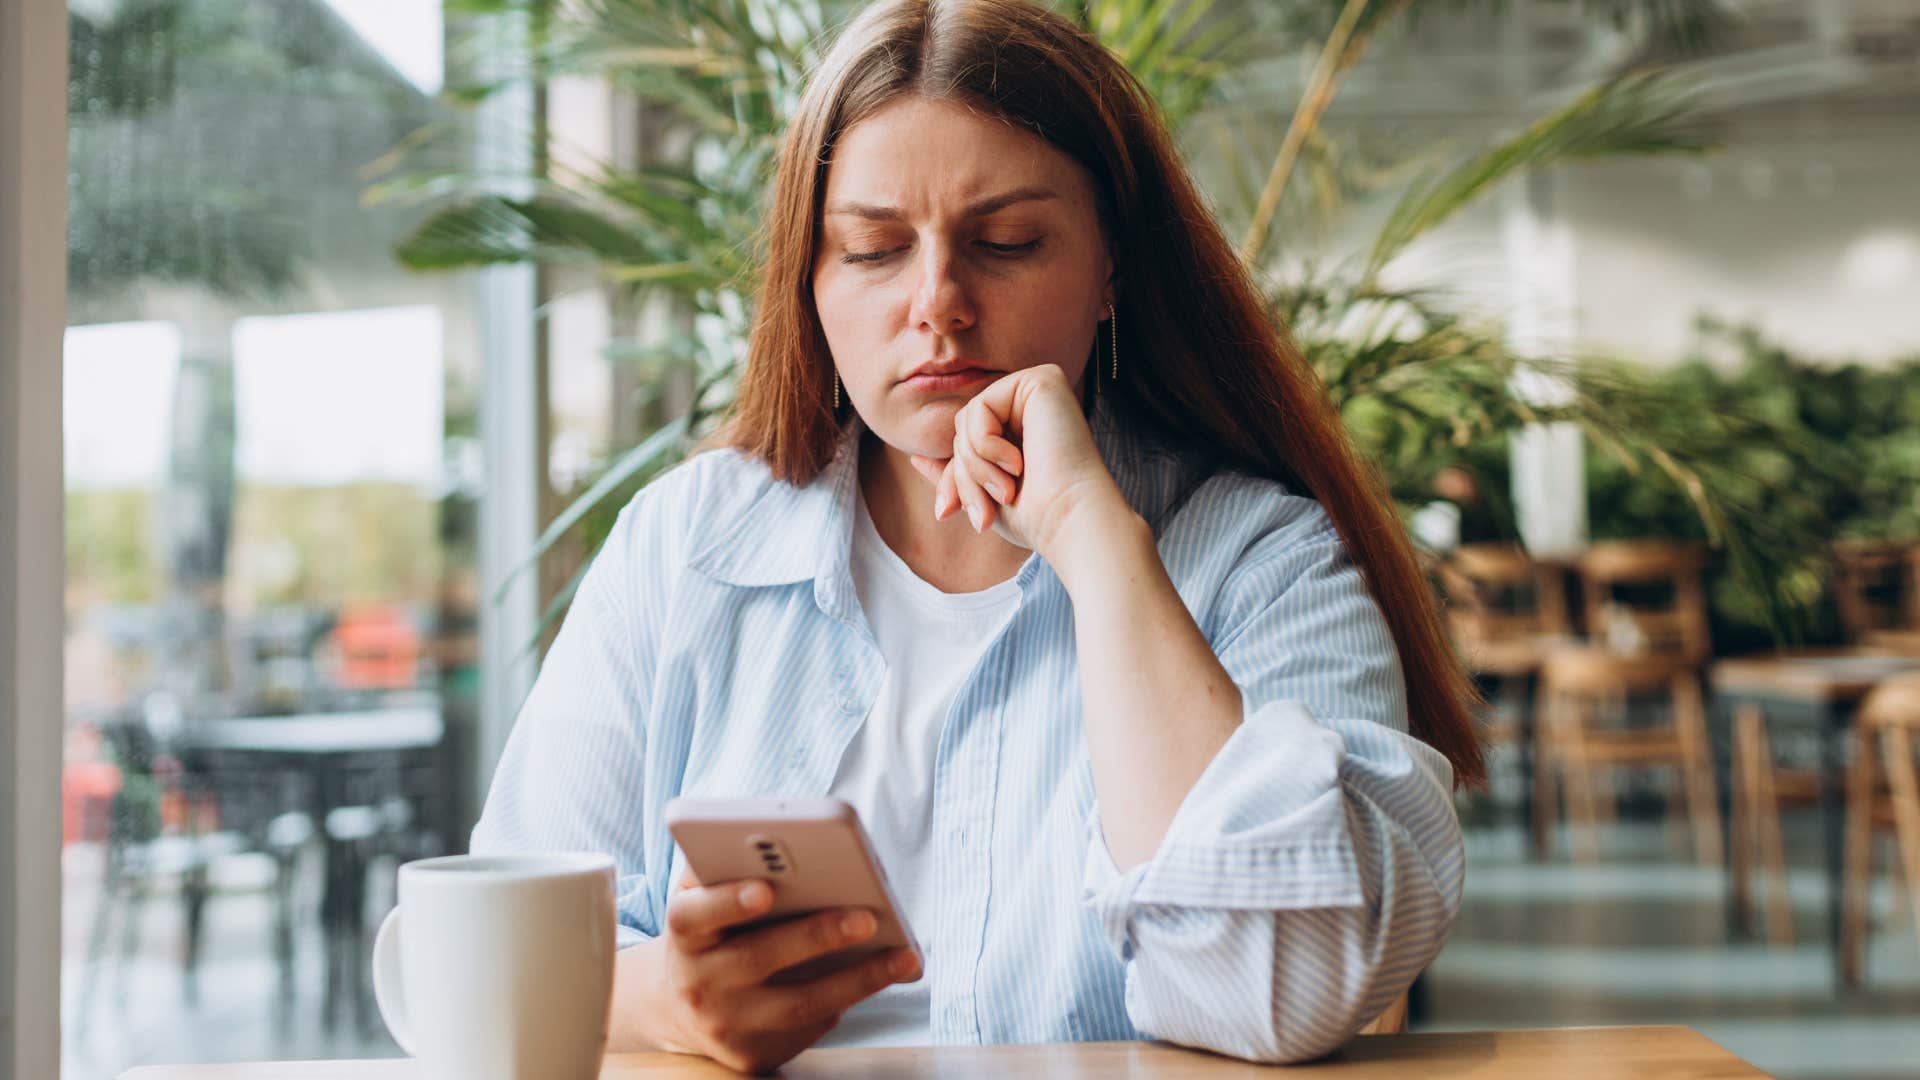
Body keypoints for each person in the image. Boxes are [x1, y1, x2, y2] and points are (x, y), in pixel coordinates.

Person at [471, 0, 1483, 1071]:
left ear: (1112, 275)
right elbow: (490, 952)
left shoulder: (1262, 559)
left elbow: (1289, 988)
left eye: (1006, 243)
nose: (938, 304)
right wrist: (668, 1003)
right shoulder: (684, 549)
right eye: (870, 251)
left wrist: (1097, 545)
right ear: (807, 284)